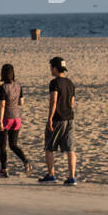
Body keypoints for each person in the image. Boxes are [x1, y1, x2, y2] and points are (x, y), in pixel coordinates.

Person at [39, 55, 77, 184]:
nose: (50, 70)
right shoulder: (70, 83)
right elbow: (72, 103)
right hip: (70, 118)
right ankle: (72, 177)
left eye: (51, 67)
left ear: (55, 68)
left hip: (57, 118)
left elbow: (53, 100)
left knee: (49, 147)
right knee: (70, 149)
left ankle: (51, 174)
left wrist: (49, 118)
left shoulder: (54, 83)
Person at [0, 62, 29, 177]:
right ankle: (25, 161)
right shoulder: (18, 86)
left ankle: (4, 170)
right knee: (13, 144)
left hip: (6, 119)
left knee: (2, 146)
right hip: (17, 118)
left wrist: (0, 121)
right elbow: (21, 103)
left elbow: (2, 105)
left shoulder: (3, 87)